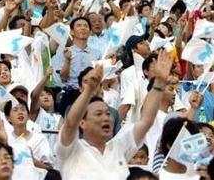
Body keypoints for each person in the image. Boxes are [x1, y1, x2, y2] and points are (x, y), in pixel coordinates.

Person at [56, 50, 173, 179]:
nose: (105, 118)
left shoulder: (118, 148)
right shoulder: (71, 150)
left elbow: (146, 121)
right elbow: (70, 124)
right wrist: (89, 90)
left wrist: (160, 83)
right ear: (83, 123)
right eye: (98, 114)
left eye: (107, 113)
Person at [57, 17, 102, 116]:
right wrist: (68, 60)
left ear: (90, 32)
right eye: (79, 26)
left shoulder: (97, 53)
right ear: (72, 32)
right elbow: (63, 77)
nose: (83, 28)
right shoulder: (65, 51)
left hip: (90, 94)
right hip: (71, 94)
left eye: (86, 26)